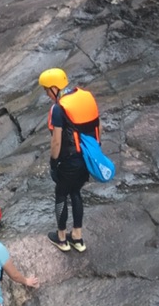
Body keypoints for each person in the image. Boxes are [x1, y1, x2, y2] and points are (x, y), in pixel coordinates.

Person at [40, 68, 100, 252]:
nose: (46, 94)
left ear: (54, 88)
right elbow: (98, 126)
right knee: (76, 193)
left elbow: (56, 140)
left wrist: (53, 162)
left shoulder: (58, 109)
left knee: (61, 195)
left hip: (69, 161)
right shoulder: (85, 96)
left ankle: (61, 239)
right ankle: (77, 237)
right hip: (87, 158)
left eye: (46, 90)